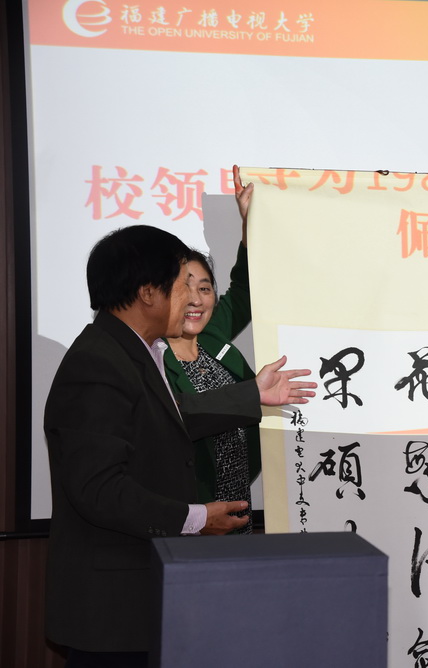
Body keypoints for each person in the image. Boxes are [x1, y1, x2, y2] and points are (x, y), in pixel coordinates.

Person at [44, 224, 316, 667]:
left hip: (144, 594)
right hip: (115, 610)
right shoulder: (97, 362)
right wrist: (196, 518)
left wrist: (252, 394)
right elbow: (99, 489)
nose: (191, 298)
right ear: (147, 292)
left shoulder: (133, 350)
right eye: (180, 285)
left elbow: (169, 418)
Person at [164, 166, 258, 533]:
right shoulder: (150, 358)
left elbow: (244, 289)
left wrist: (250, 224)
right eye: (183, 288)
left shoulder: (212, 336)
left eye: (204, 288)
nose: (195, 299)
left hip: (239, 509)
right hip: (191, 520)